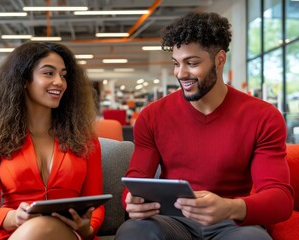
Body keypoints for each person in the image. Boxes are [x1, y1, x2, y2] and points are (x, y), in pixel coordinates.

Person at [115, 11, 294, 240]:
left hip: (231, 223)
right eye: (176, 63)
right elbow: (136, 179)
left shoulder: (263, 116)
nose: (181, 73)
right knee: (133, 231)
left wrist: (230, 207)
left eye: (192, 63)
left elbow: (280, 199)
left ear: (220, 59)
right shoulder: (152, 115)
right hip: (172, 221)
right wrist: (132, 200)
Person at [0, 41, 104, 240]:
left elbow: (97, 204)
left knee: (42, 227)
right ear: (24, 80)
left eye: (63, 75)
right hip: (13, 233)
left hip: (70, 235)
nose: (59, 81)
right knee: (38, 228)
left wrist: (88, 228)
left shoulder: (85, 139)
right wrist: (15, 216)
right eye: (48, 73)